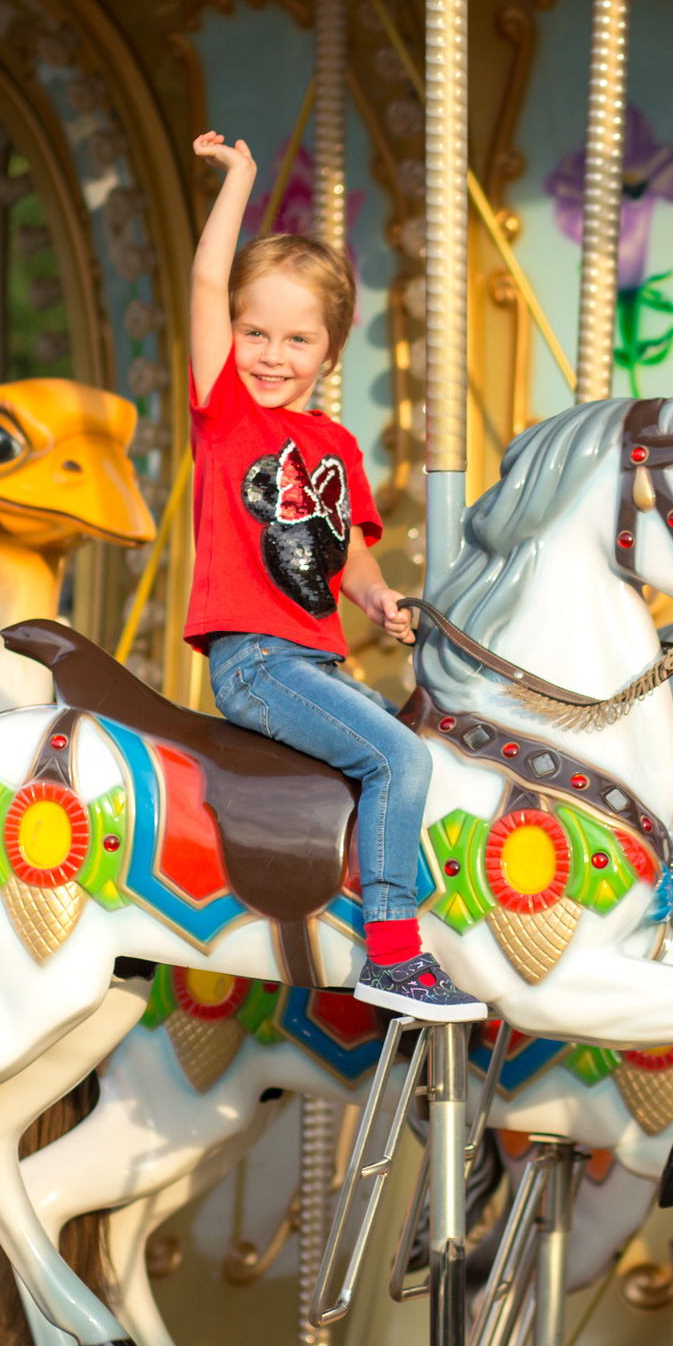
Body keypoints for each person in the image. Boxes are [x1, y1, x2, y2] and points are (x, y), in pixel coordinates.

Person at [184, 132, 483, 1022]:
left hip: (316, 662)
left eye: (297, 338)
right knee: (399, 756)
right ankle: (393, 950)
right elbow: (205, 284)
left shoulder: (335, 445)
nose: (272, 355)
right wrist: (241, 180)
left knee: (413, 758)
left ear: (331, 349)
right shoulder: (225, 411)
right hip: (254, 658)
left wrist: (381, 596)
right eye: (253, 333)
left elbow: (342, 546)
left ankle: (347, 914)